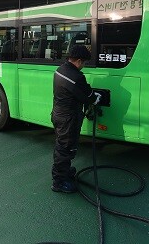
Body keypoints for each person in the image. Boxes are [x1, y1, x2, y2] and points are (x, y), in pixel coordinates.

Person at [51, 44, 101, 193]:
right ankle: (59, 182)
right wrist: (95, 98)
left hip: (58, 114)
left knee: (61, 146)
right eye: (84, 62)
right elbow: (88, 96)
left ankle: (64, 172)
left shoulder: (60, 70)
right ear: (79, 60)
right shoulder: (77, 77)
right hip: (69, 119)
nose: (83, 65)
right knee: (66, 149)